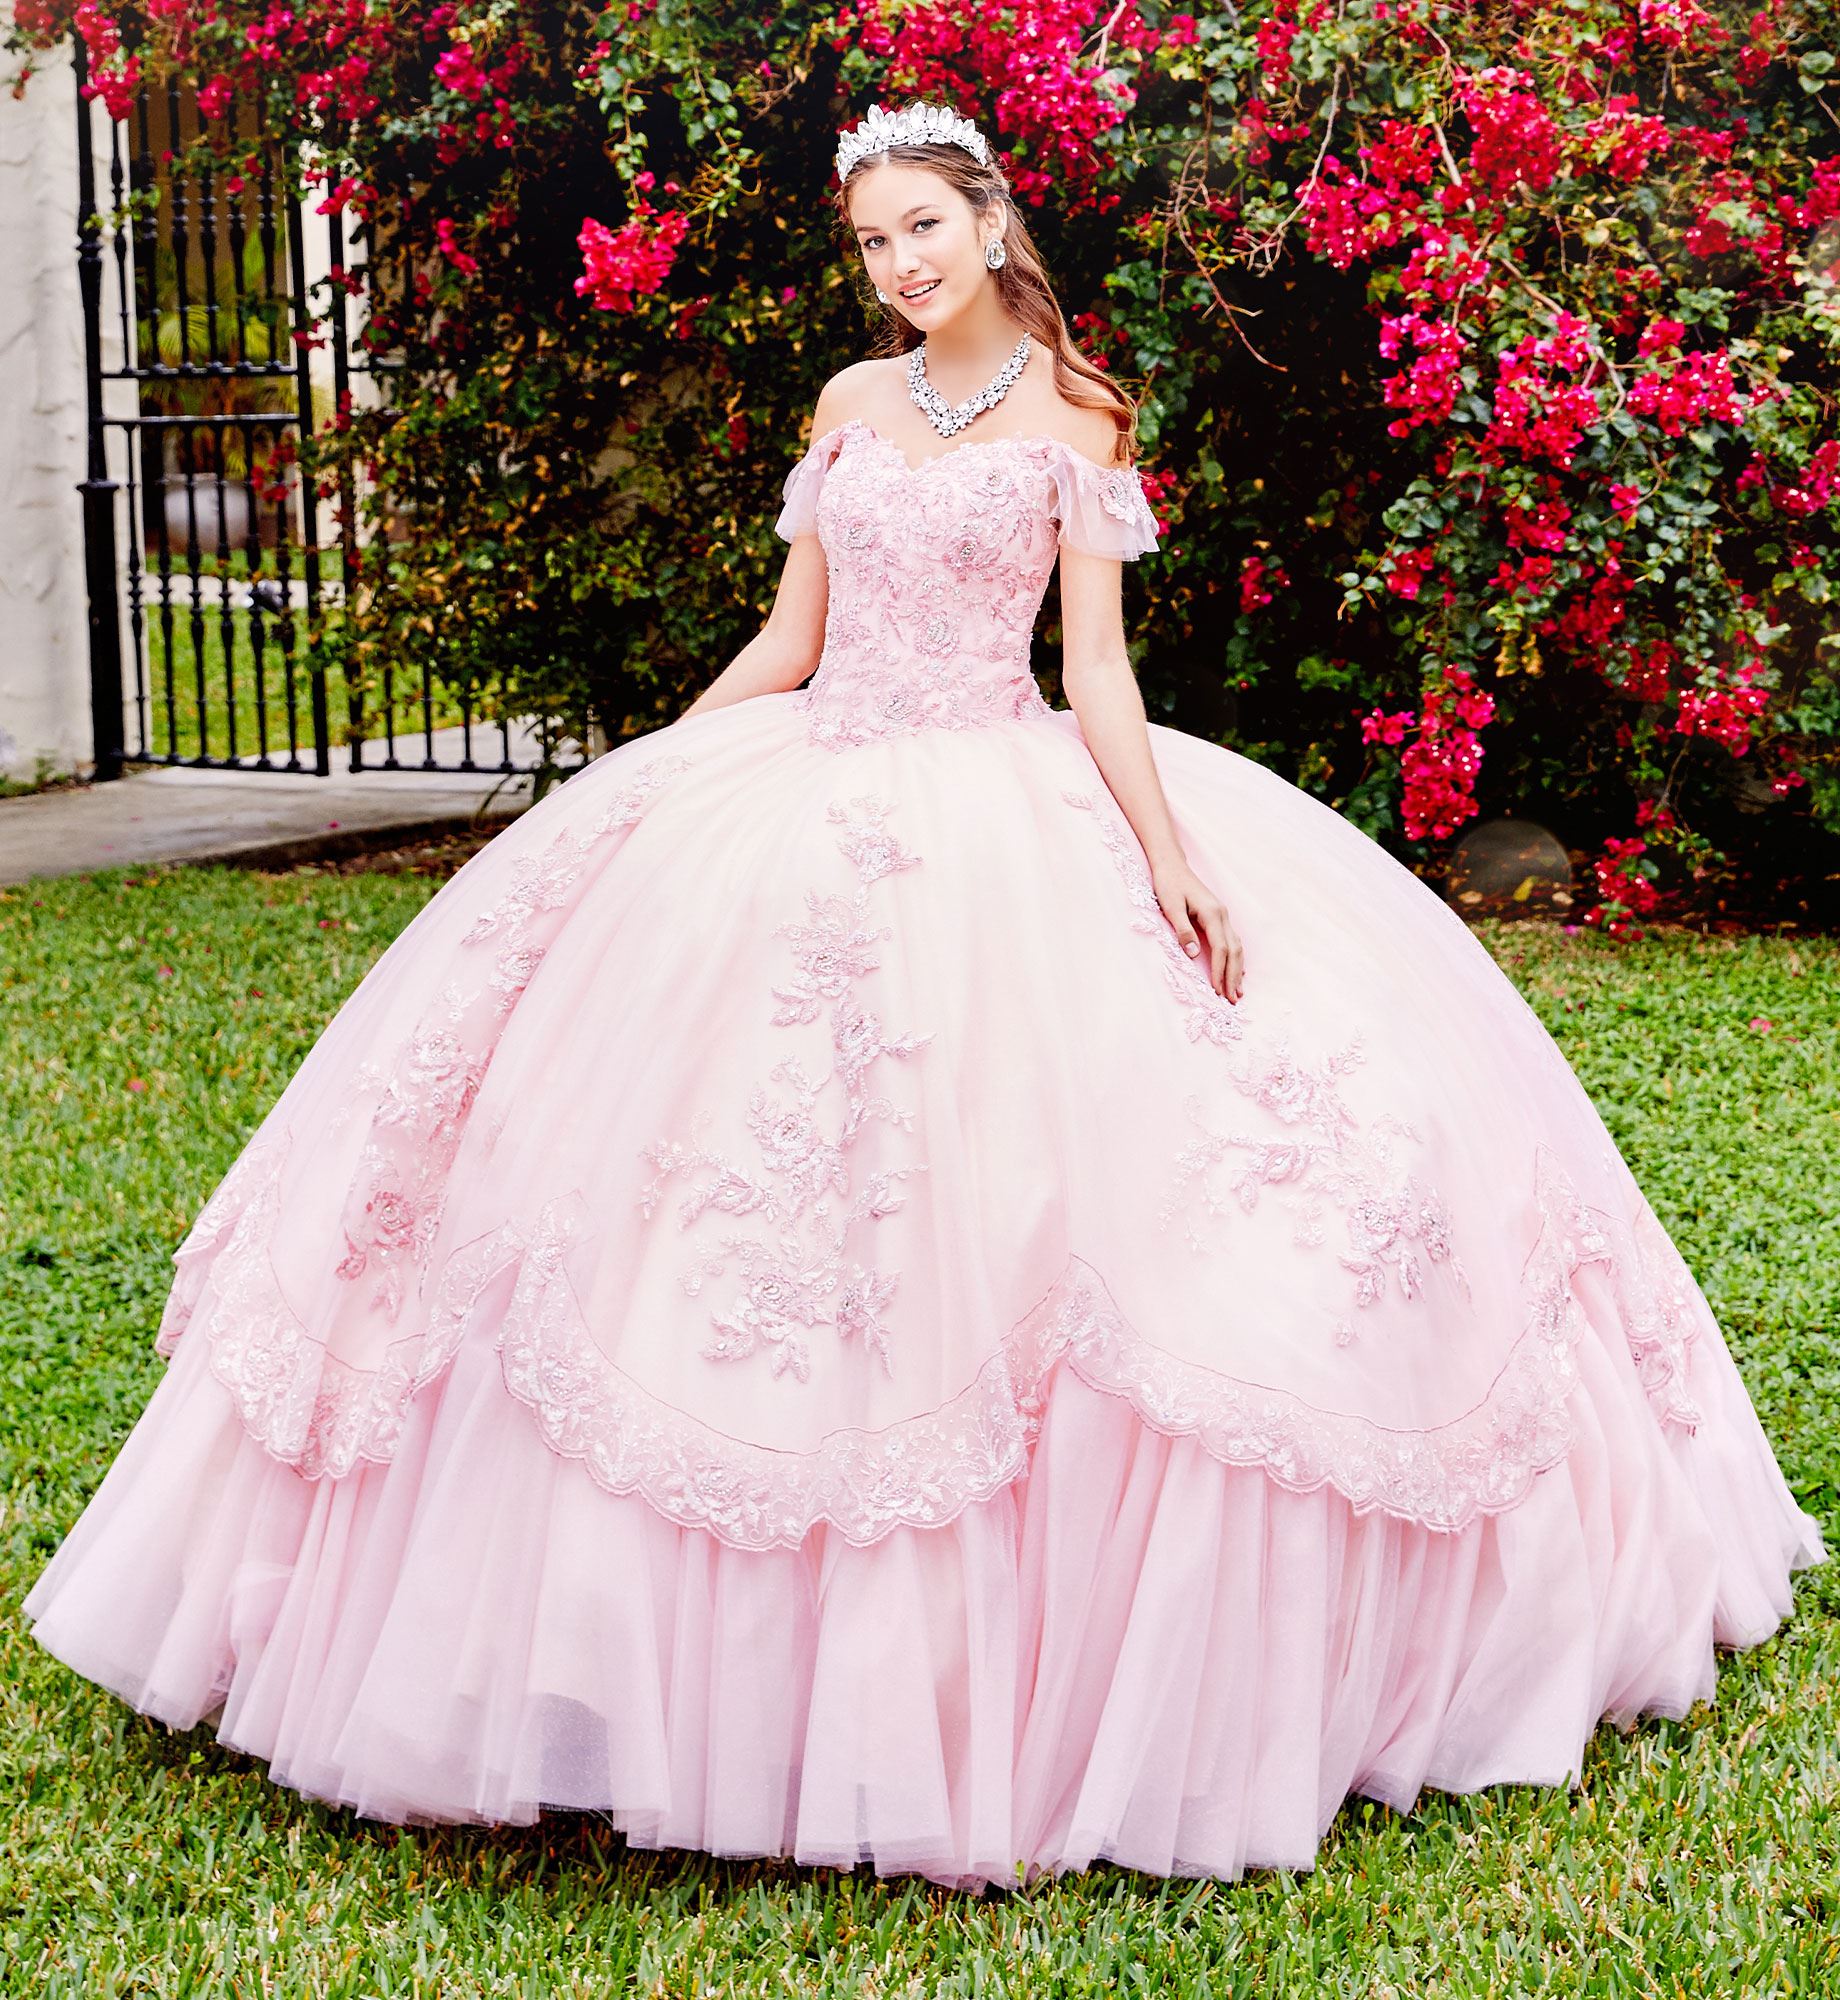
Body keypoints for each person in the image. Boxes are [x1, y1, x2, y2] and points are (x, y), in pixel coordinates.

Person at [24, 97, 1825, 1893]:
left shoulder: (1078, 416)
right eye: (872, 243)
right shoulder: (847, 406)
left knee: (1072, 1192)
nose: (898, 267)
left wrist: (1169, 850)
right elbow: (794, 638)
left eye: (922, 230)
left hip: (1006, 788)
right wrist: (651, 775)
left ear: (989, 216)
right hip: (810, 781)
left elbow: (1096, 671)